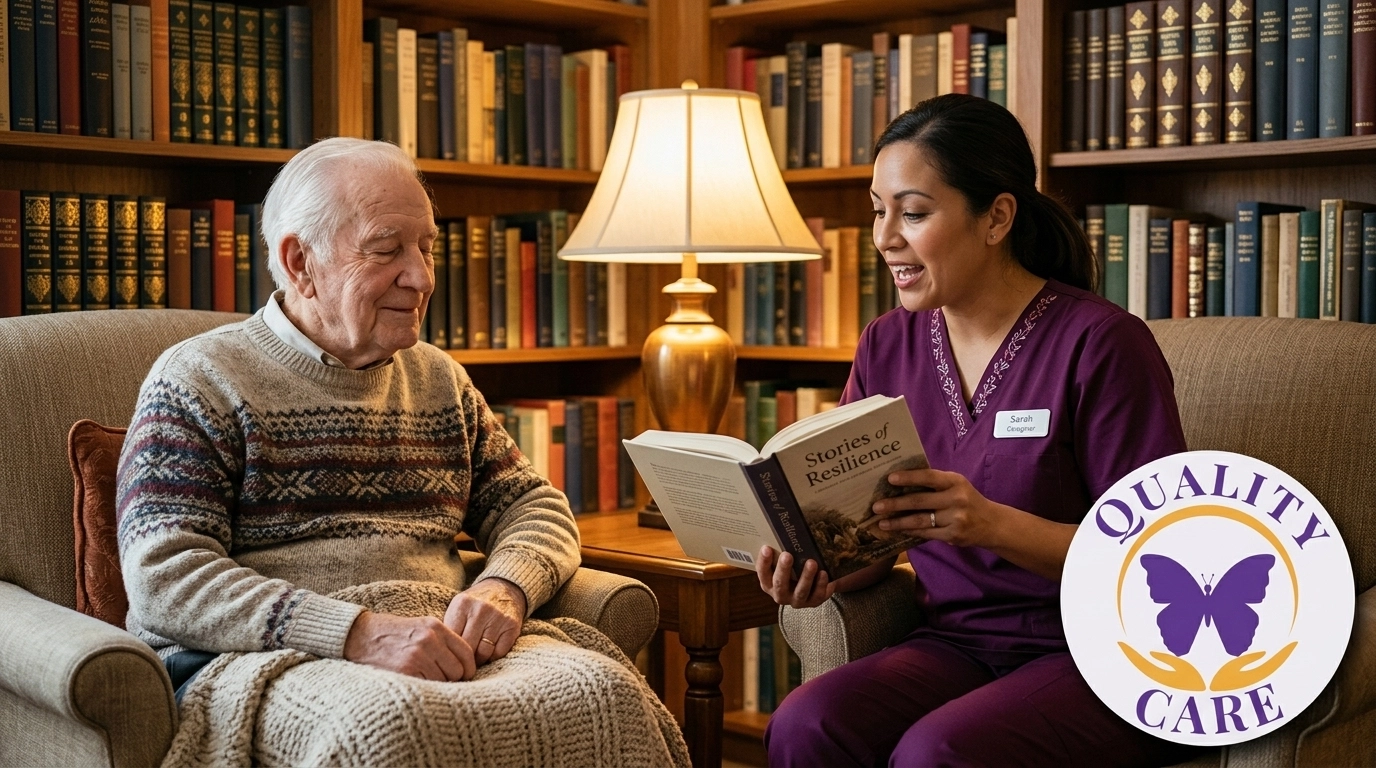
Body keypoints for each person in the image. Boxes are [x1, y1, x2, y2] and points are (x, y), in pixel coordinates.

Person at [116, 137, 684, 766]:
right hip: (266, 657)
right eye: (388, 250)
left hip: (437, 637)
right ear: (300, 261)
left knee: (606, 694)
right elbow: (164, 577)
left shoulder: (438, 378)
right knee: (391, 728)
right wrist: (356, 633)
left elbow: (534, 506)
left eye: (427, 248)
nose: (421, 277)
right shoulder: (199, 379)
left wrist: (505, 587)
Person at [757, 94, 1200, 767]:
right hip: (956, 643)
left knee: (938, 754)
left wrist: (988, 523)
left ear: (996, 217)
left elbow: (1157, 560)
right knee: (806, 724)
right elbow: (874, 540)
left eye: (913, 212)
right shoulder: (887, 343)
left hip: (1106, 650)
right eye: (878, 210)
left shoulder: (1104, 344)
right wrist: (818, 567)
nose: (884, 237)